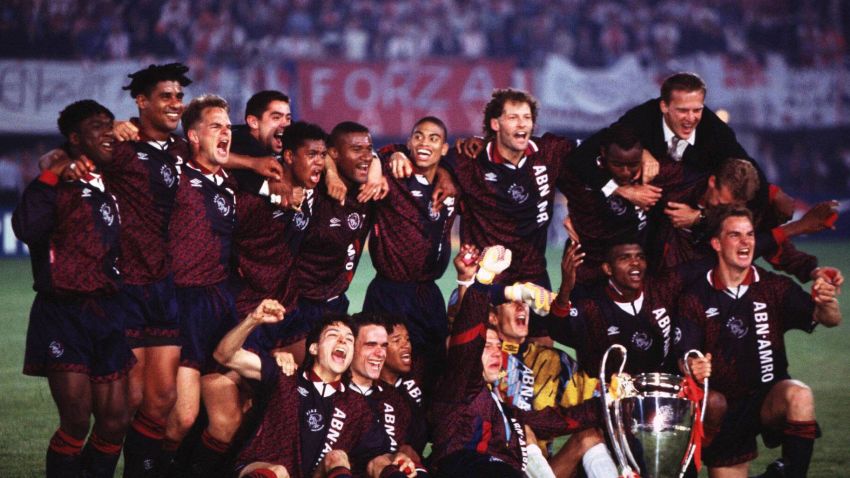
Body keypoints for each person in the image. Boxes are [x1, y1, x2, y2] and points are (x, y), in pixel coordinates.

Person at [390, 89, 576, 337]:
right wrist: (402, 156)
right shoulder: (469, 159)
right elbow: (427, 155)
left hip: (534, 274)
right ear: (495, 123)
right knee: (479, 354)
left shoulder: (550, 151)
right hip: (488, 280)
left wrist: (619, 188)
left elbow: (598, 154)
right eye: (513, 117)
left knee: (541, 356)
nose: (522, 123)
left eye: (527, 117)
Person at [676, 206, 842, 478]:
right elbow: (684, 355)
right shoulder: (695, 297)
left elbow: (829, 319)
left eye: (750, 235)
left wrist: (827, 303)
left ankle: (791, 474)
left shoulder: (772, 287)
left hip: (767, 399)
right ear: (717, 244)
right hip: (725, 412)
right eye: (736, 235)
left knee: (799, 394)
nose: (746, 242)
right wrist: (693, 366)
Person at [13, 100, 132, 478]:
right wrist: (52, 173)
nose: (109, 132)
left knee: (115, 422)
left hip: (109, 311)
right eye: (98, 126)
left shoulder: (113, 181)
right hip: (64, 312)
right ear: (75, 138)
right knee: (77, 421)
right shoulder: (56, 183)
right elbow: (27, 229)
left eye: (110, 124)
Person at [429, 246, 599, 477]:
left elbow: (554, 419)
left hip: (525, 466)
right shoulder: (463, 380)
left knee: (589, 436)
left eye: (497, 347)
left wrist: (611, 399)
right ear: (492, 317)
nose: (496, 352)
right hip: (479, 468)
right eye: (487, 346)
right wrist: (481, 280)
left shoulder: (547, 362)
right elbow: (465, 335)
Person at [160, 95, 239, 475]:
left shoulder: (229, 183)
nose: (226, 133)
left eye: (228, 127)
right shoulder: (175, 176)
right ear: (192, 136)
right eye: (215, 127)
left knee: (227, 421)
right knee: (182, 418)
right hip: (183, 303)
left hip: (221, 303)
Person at [567, 72, 768, 213]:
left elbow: (750, 173)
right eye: (682, 110)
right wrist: (623, 190)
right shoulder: (640, 119)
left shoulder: (716, 132)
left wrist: (700, 217)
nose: (691, 118)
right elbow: (580, 158)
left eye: (697, 110)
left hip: (690, 218)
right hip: (637, 219)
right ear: (664, 106)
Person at [215, 303, 372, 478]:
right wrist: (252, 320)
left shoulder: (357, 406)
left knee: (338, 457)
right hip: (258, 468)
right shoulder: (285, 374)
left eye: (349, 339)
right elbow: (225, 355)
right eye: (333, 335)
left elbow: (378, 458)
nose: (343, 341)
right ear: (314, 348)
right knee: (279, 472)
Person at [364, 116, 458, 389]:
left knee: (434, 372)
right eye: (418, 136)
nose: (424, 142)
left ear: (444, 149)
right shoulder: (393, 176)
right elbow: (366, 153)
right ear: (408, 142)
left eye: (433, 138)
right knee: (384, 372)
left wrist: (446, 173)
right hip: (390, 293)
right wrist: (388, 156)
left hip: (428, 294)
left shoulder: (452, 187)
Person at [231, 121, 327, 362]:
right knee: (245, 388)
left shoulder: (313, 193)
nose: (320, 162)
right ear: (289, 156)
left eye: (323, 155)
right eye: (312, 155)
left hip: (286, 307)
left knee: (299, 377)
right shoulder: (252, 198)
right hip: (248, 309)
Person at [284, 122, 378, 360]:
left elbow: (397, 154)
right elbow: (309, 147)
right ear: (333, 154)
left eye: (369, 149)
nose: (366, 156)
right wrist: (331, 173)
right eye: (357, 150)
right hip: (298, 304)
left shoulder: (370, 191)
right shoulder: (313, 190)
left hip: (336, 303)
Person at [345, 313, 424, 478]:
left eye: (383, 346)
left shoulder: (395, 400)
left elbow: (398, 452)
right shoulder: (331, 393)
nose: (380, 353)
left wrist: (399, 457)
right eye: (371, 345)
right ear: (350, 347)